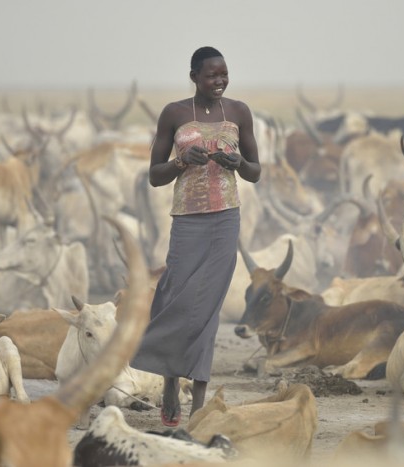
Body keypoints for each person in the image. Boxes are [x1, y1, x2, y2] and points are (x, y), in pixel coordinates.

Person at [130, 46, 261, 427]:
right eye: (211, 75)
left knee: (207, 309)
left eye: (224, 74)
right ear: (194, 77)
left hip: (225, 221)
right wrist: (181, 161)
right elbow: (155, 175)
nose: (219, 81)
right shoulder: (174, 114)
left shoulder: (239, 113)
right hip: (187, 221)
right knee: (173, 298)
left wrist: (238, 163)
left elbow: (255, 172)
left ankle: (199, 401)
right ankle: (171, 381)